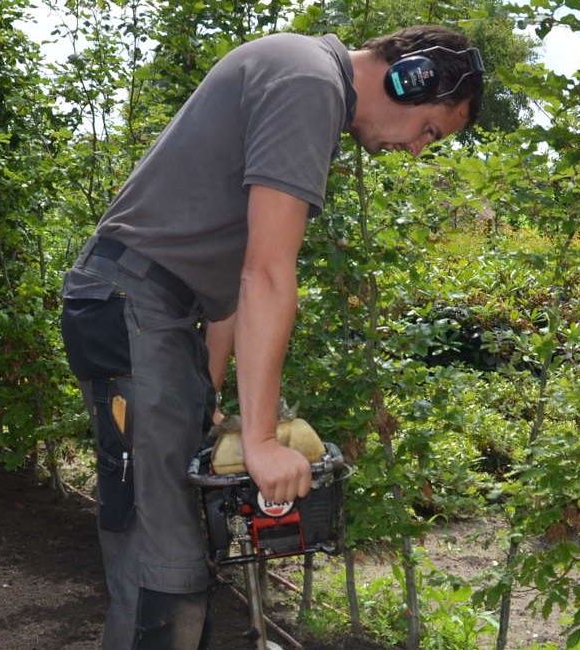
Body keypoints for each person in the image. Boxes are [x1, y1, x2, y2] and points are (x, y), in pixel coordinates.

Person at [59, 24, 486, 649]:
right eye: (429, 129)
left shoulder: (305, 76)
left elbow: (233, 270)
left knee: (173, 551)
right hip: (134, 303)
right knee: (163, 563)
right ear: (410, 76)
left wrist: (205, 390)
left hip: (153, 308)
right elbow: (266, 273)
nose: (418, 149)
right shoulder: (309, 82)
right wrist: (258, 441)